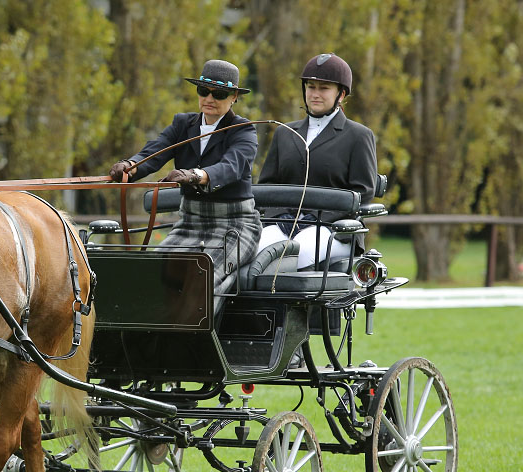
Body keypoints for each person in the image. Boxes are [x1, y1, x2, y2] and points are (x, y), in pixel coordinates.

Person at [109, 59, 260, 311]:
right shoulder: (183, 124)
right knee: (148, 278)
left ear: (234, 97)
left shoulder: (243, 130)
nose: (209, 98)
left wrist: (195, 174)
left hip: (235, 227)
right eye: (203, 91)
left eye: (219, 94)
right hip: (190, 222)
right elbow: (155, 152)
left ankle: (194, 344)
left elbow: (232, 167)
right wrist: (130, 165)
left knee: (200, 279)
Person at [258, 53, 378, 269]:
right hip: (284, 223)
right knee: (254, 250)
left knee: (299, 252)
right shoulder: (285, 133)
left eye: (324, 88)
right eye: (311, 87)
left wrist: (319, 216)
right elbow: (267, 186)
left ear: (341, 94)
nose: (315, 94)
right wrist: (280, 216)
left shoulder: (358, 136)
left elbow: (363, 191)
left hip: (334, 228)